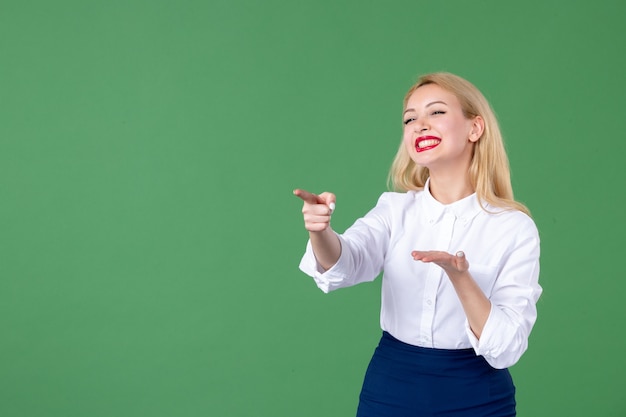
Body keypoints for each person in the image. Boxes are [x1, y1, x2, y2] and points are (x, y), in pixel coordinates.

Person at [293, 72, 542, 417]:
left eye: (436, 112)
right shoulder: (394, 211)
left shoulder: (514, 228)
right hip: (392, 387)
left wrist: (461, 279)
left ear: (475, 128)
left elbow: (506, 347)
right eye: (410, 118)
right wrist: (320, 232)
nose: (419, 125)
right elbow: (346, 263)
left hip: (477, 395)